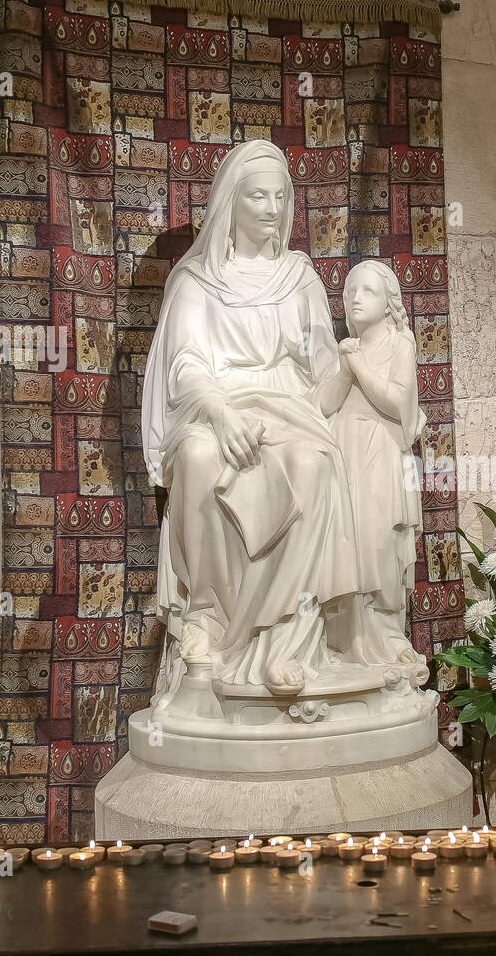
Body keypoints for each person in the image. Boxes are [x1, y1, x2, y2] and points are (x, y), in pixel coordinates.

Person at [141, 139, 358, 704]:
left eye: (280, 197)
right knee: (197, 458)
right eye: (258, 196)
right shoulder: (198, 281)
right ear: (230, 203)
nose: (271, 208)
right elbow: (186, 364)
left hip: (290, 407)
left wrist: (372, 365)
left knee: (312, 463)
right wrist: (222, 414)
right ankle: (207, 621)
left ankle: (282, 638)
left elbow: (325, 366)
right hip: (216, 406)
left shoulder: (299, 278)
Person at [316, 260, 428, 666]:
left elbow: (399, 403)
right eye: (349, 292)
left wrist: (357, 365)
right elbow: (323, 404)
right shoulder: (344, 349)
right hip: (343, 451)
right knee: (347, 543)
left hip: (381, 453)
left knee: (380, 540)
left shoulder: (400, 344)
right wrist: (346, 365)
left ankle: (385, 633)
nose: (355, 299)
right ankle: (348, 642)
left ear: (388, 303)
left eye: (367, 291)